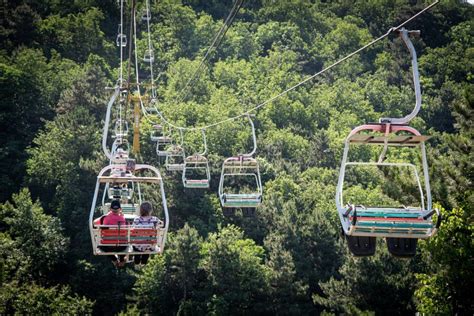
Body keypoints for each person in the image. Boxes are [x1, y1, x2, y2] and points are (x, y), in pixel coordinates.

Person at [99, 200, 127, 267]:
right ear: (120, 209)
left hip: (108, 247)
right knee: (123, 241)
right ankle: (122, 259)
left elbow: (103, 228)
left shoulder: (106, 218)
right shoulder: (122, 218)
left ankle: (114, 259)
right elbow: (124, 231)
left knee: (101, 246)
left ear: (110, 209)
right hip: (120, 247)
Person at [132, 201, 161, 266]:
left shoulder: (136, 219)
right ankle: (143, 263)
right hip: (150, 246)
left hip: (138, 246)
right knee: (148, 245)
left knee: (137, 245)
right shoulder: (155, 219)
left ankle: (137, 262)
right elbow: (161, 225)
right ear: (150, 210)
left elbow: (132, 230)